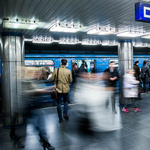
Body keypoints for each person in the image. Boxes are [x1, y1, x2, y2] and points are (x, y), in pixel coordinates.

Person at [10, 67, 55, 150]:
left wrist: (42, 90)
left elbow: (34, 90)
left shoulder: (30, 80)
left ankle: (45, 142)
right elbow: (26, 93)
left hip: (33, 106)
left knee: (40, 125)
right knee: (31, 126)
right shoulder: (20, 81)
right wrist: (40, 91)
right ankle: (18, 140)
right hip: (25, 107)